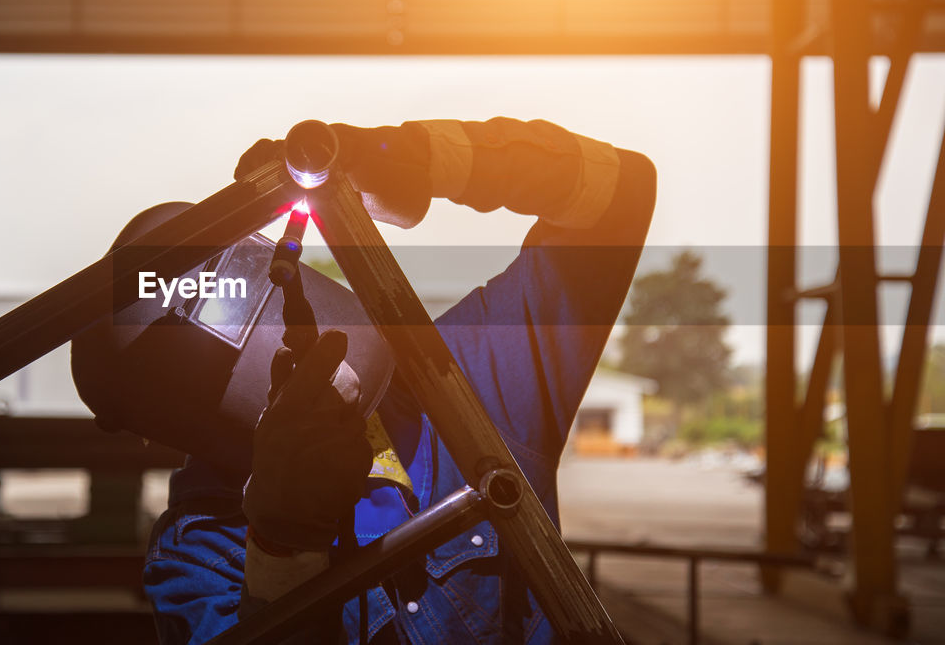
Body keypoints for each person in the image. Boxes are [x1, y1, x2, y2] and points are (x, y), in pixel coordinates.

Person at [73, 117, 656, 644]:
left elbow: (619, 192)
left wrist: (417, 158)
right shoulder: (202, 557)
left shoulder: (459, 380)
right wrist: (283, 548)